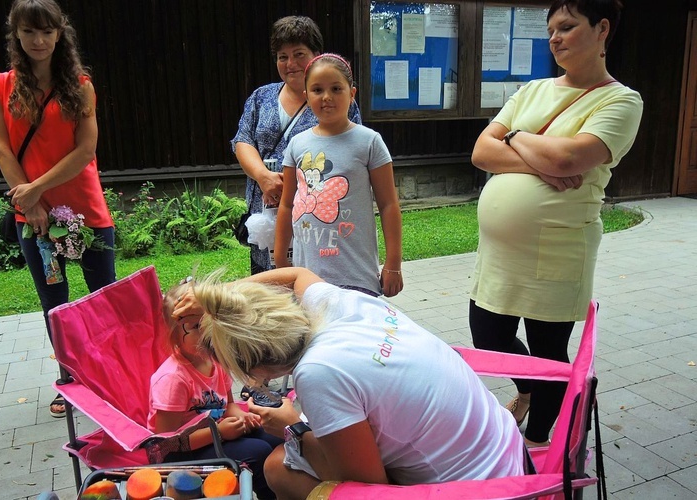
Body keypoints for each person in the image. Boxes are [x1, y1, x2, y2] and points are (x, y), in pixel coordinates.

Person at [171, 267, 526, 500]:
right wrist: (219, 294)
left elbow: (369, 490)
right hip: (506, 453)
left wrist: (293, 426)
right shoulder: (343, 304)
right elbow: (297, 275)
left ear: (259, 369)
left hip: (483, 489)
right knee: (286, 458)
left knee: (278, 469)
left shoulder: (319, 374)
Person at [469, 0, 642, 447]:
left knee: (548, 355)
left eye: (567, 26)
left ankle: (544, 441)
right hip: (499, 253)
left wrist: (514, 135)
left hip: (557, 248)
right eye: (551, 29)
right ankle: (527, 393)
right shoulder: (532, 90)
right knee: (488, 338)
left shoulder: (621, 100)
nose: (555, 37)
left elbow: (570, 157)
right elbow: (480, 153)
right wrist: (540, 161)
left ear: (602, 29)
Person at [0, 0, 116, 418]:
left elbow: (86, 151)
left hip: (85, 214)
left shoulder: (80, 86)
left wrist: (35, 189)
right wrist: (32, 203)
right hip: (36, 220)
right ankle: (71, 381)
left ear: (60, 34)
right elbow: (2, 148)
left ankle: (111, 377)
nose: (38, 40)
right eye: (29, 31)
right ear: (17, 35)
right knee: (55, 303)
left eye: (46, 31)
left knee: (102, 298)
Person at [231, 16, 361, 276]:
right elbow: (242, 141)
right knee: (271, 286)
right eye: (282, 56)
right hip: (267, 212)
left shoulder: (336, 99)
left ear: (316, 55)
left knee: (315, 283)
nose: (290, 64)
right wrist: (264, 177)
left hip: (317, 214)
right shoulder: (261, 97)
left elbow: (350, 151)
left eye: (298, 54)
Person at [275, 53, 403, 297]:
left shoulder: (369, 142)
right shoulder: (296, 144)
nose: (326, 97)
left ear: (352, 93)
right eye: (317, 90)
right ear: (306, 96)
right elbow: (286, 205)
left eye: (336, 88)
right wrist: (281, 260)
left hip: (356, 275)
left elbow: (388, 205)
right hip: (308, 277)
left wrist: (393, 264)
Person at [147, 279, 283, 500]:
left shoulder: (215, 361)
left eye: (209, 321)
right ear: (173, 334)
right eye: (195, 327)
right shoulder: (173, 379)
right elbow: (164, 444)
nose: (207, 331)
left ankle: (287, 488)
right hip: (180, 454)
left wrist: (243, 418)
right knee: (258, 453)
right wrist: (218, 433)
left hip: (215, 435)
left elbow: (228, 404)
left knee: (274, 437)